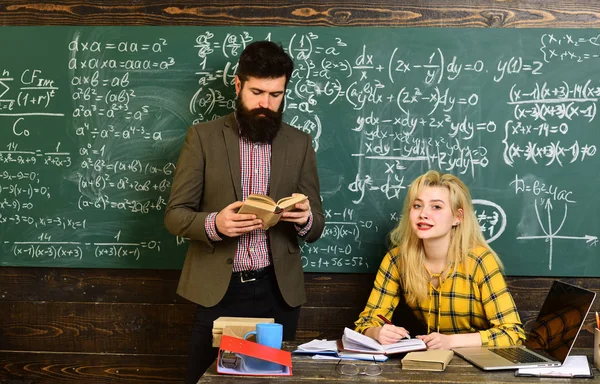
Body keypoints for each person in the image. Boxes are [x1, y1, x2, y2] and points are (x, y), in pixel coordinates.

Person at [164, 41, 324, 383]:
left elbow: (316, 225)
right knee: (204, 379)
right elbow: (175, 214)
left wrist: (305, 219)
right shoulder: (203, 138)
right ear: (238, 85)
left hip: (277, 292)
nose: (265, 104)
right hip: (219, 291)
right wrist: (215, 223)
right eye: (256, 92)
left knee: (271, 380)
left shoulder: (300, 143)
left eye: (276, 94)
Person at [354, 170, 526, 350]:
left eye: (436, 207)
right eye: (417, 206)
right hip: (430, 358)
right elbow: (366, 321)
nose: (423, 214)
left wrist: (451, 341)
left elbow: (513, 333)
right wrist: (376, 332)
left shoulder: (480, 261)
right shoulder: (397, 260)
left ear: (457, 217)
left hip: (479, 359)